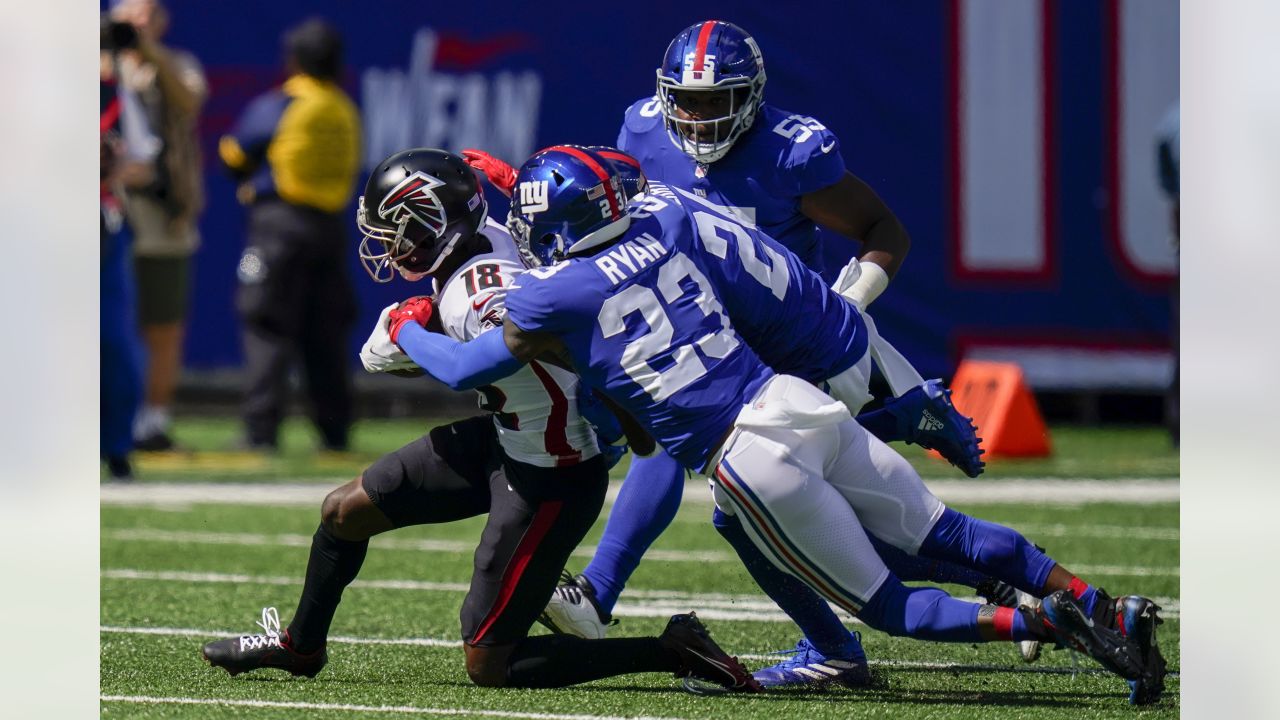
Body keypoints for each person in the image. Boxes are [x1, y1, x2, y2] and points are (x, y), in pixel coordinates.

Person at [395, 146, 1167, 705]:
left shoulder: (546, 297)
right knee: (950, 534)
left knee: (891, 608)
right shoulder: (658, 227)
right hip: (799, 404)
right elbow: (609, 198)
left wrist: (405, 328)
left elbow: (466, 369)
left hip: (749, 453)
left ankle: (1052, 622)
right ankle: (1100, 601)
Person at [463, 20, 988, 686]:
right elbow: (598, 207)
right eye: (685, 99)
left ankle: (957, 579)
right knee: (749, 493)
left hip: (787, 345)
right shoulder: (644, 131)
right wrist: (521, 185)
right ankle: (982, 580)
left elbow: (884, 232)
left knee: (822, 520)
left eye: (715, 101)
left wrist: (842, 310)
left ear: (752, 96)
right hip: (700, 331)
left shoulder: (791, 152)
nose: (697, 117)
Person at [201, 149, 760, 694]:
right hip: (506, 438)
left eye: (396, 228)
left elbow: (470, 366)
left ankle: (668, 648)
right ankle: (300, 647)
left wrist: (407, 333)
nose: (388, 244)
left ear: (433, 223)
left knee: (489, 662)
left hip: (553, 477)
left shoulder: (480, 294)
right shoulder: (493, 233)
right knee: (345, 511)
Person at [219, 18, 361, 452]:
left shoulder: (282, 104)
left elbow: (234, 154)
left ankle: (261, 431)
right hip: (329, 228)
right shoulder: (344, 109)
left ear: (294, 60)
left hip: (279, 227)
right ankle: (334, 430)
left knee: (265, 323)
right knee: (325, 333)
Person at [109, 0, 207, 452]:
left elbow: (188, 100)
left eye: (147, 17)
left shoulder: (177, 64)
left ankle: (152, 422)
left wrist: (148, 52)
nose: (138, 25)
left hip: (163, 216)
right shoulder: (97, 70)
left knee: (163, 324)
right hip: (108, 208)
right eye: (130, 18)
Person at [100, 20, 146, 480]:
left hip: (100, 227)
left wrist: (113, 166)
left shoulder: (112, 94)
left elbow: (141, 162)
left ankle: (115, 446)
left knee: (113, 343)